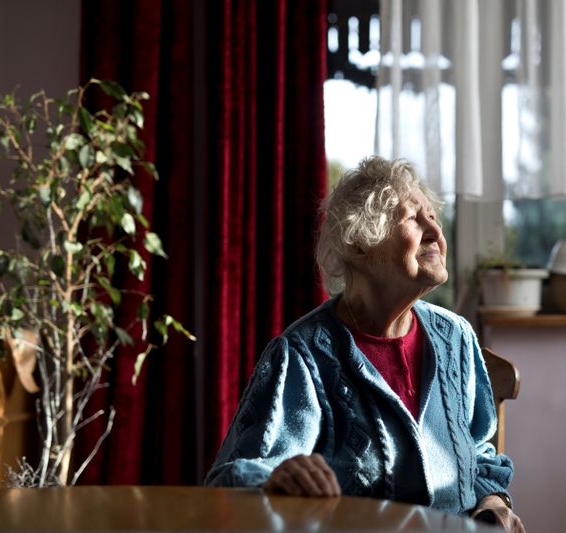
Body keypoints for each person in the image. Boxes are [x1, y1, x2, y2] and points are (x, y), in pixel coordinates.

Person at [206, 156, 525, 532]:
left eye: (433, 218)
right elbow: (231, 478)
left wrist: (493, 501)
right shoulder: (303, 356)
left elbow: (481, 454)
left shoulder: (456, 338)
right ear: (359, 245)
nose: (434, 231)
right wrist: (279, 479)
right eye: (412, 218)